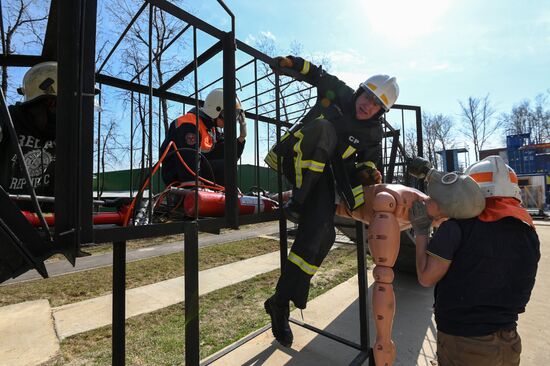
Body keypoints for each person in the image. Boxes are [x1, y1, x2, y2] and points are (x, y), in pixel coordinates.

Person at [263, 55, 399, 347]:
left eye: (377, 104)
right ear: (360, 91)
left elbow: (367, 170)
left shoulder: (373, 136)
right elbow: (315, 73)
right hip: (295, 158)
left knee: (322, 235)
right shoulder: (340, 92)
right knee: (325, 129)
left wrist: (368, 175)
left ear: (380, 111)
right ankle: (297, 203)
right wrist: (290, 63)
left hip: (322, 179)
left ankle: (280, 301)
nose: (367, 105)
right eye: (368, 96)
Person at [409, 155, 540, 366]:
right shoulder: (528, 233)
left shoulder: (456, 228)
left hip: (463, 343)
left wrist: (421, 231)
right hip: (509, 342)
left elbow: (426, 277)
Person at [159, 88, 247, 187]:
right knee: (228, 166)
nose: (231, 120)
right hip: (178, 174)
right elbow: (187, 157)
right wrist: (193, 185)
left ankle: (221, 196)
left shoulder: (212, 128)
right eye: (228, 115)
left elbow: (226, 153)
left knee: (230, 164)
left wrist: (241, 138)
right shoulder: (189, 124)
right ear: (216, 110)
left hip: (198, 168)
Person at [0, 61, 57, 211]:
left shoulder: (65, 136)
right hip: (7, 226)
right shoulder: (6, 121)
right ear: (52, 103)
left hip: (44, 225)